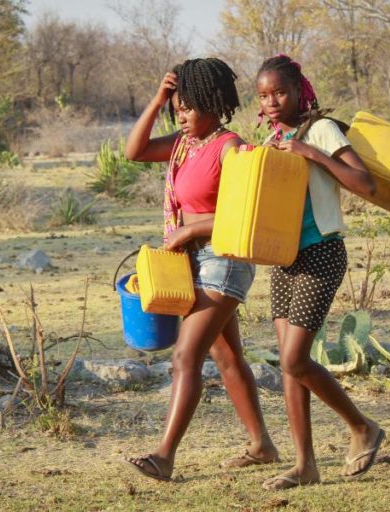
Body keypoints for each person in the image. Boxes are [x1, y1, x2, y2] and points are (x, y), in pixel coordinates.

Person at [122, 58, 279, 482]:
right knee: (226, 356)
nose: (182, 115)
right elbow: (134, 151)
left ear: (213, 104)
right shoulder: (182, 143)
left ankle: (164, 456)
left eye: (189, 107)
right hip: (193, 260)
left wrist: (190, 227)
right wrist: (158, 98)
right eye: (178, 108)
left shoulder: (230, 147)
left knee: (184, 357)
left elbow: (244, 212)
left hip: (223, 261)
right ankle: (261, 445)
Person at [255, 54, 384, 490]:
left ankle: (362, 426)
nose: (272, 102)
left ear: (298, 90)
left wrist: (310, 151)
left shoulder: (322, 129)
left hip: (322, 252)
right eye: (264, 95)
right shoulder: (273, 136)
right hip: (284, 257)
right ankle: (305, 465)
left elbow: (365, 184)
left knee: (294, 358)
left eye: (280, 93)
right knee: (290, 365)